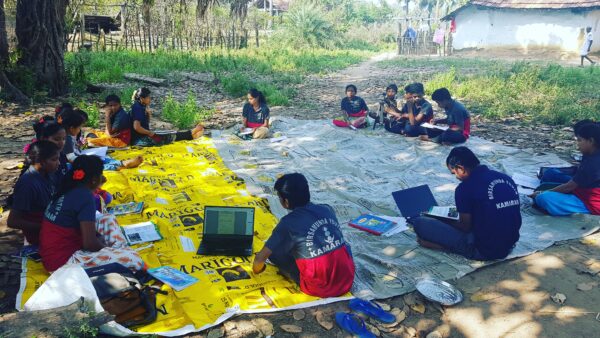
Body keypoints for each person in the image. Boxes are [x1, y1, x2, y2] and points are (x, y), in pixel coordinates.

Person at [252, 173, 355, 298]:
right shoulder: (327, 208)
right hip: (347, 279)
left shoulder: (288, 223)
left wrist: (257, 271)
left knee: (275, 252)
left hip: (319, 288)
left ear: (286, 201)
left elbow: (259, 260)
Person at [410, 147, 522, 260]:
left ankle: (448, 248)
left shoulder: (464, 188)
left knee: (419, 222)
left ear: (460, 169)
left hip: (486, 250)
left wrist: (442, 219)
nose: (456, 177)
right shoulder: (506, 178)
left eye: (454, 173)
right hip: (509, 245)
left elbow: (465, 227)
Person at [39, 155, 144, 272]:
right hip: (62, 263)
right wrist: (107, 250)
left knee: (107, 219)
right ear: (94, 180)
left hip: (56, 252)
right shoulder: (85, 196)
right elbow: (89, 243)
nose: (103, 178)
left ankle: (118, 250)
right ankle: (119, 251)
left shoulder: (69, 187)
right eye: (101, 174)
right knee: (135, 260)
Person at [532, 123, 600, 216]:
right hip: (583, 191)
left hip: (592, 204)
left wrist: (540, 193)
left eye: (580, 140)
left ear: (591, 141)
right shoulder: (590, 155)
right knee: (545, 185)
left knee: (543, 198)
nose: (577, 144)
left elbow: (570, 186)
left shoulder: (593, 163)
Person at [7, 141, 60, 245]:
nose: (59, 163)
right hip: (39, 235)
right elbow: (12, 221)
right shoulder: (27, 184)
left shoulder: (47, 174)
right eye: (54, 159)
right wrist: (46, 227)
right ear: (42, 162)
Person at [61, 108, 142, 170]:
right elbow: (71, 158)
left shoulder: (70, 135)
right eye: (79, 127)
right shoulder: (66, 138)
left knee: (101, 158)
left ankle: (120, 163)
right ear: (71, 128)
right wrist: (87, 160)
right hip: (70, 164)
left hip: (78, 156)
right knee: (95, 166)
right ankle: (119, 165)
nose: (80, 129)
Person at [130, 87, 204, 146]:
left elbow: (145, 123)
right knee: (166, 137)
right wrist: (149, 133)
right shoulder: (137, 108)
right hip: (139, 140)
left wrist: (148, 114)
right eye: (148, 98)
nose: (150, 99)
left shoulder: (141, 106)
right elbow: (137, 127)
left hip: (143, 136)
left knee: (167, 133)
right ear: (142, 98)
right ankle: (191, 134)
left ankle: (191, 134)